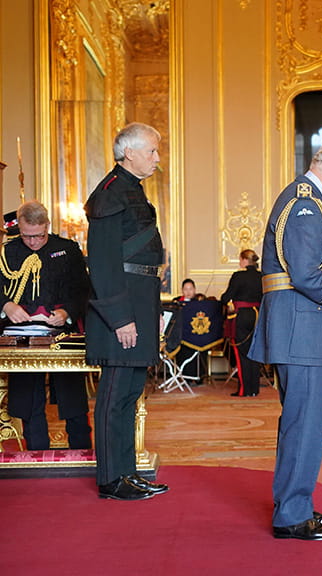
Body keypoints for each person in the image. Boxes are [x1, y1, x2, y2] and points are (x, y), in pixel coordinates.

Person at [249, 134, 322, 541]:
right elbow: (305, 274)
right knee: (305, 423)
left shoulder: (309, 200)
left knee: (301, 421)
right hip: (303, 328)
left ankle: (294, 505)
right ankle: (293, 516)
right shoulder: (305, 203)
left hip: (301, 326)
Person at [84, 122, 169, 501]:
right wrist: (121, 319)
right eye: (152, 151)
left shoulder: (129, 189)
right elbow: (102, 263)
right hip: (120, 312)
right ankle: (110, 480)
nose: (156, 158)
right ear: (129, 152)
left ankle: (127, 474)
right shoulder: (109, 193)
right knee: (115, 395)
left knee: (131, 391)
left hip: (138, 302)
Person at [0, 200, 91, 450]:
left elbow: (83, 291)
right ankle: (36, 453)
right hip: (20, 338)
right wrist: (6, 305)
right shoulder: (7, 252)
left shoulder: (68, 249)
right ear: (19, 228)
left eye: (39, 236)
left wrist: (66, 312)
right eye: (27, 236)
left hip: (62, 334)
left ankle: (81, 451)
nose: (33, 242)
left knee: (72, 398)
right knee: (30, 399)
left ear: (47, 226)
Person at [221, 249, 263, 397]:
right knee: (255, 352)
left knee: (242, 353)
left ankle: (244, 390)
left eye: (240, 259)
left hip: (242, 316)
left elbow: (227, 297)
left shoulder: (239, 276)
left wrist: (224, 299)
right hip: (259, 316)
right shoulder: (261, 276)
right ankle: (254, 389)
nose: (239, 262)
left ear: (245, 260)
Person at [172, 277, 208, 379]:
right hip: (182, 335)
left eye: (190, 289)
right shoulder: (177, 301)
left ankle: (199, 377)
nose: (188, 292)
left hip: (197, 335)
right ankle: (185, 377)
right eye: (185, 289)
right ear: (182, 290)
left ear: (195, 290)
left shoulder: (200, 301)